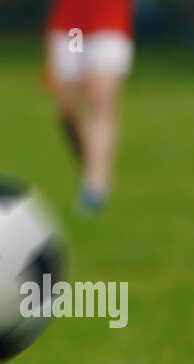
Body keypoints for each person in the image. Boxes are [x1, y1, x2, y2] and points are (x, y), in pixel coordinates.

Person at [45, 0, 135, 214]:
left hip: (109, 23)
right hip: (69, 26)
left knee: (100, 101)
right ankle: (92, 166)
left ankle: (96, 185)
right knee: (67, 112)